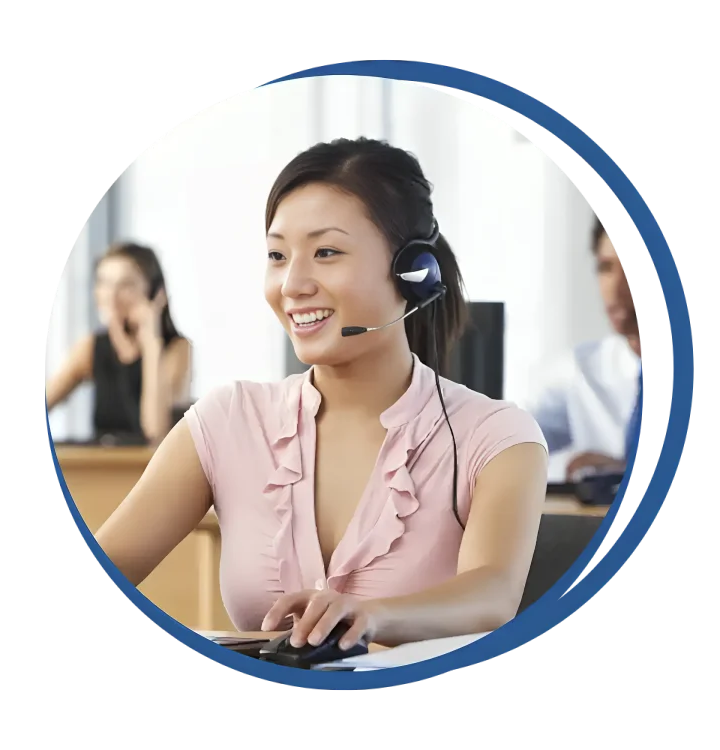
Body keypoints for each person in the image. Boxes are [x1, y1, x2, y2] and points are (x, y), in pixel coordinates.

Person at [95, 138, 549, 652]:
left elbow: (494, 594)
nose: (292, 284)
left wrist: (369, 617)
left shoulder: (498, 437)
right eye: (277, 255)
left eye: (326, 252)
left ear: (413, 272)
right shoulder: (228, 420)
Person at [525, 220, 642, 483]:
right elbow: (506, 452)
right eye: (605, 268)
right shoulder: (581, 370)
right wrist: (572, 468)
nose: (615, 288)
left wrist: (624, 473)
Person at [46, 242, 192, 445]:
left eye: (126, 285)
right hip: (106, 469)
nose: (111, 295)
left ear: (154, 292)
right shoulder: (92, 346)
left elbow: (156, 431)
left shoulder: (177, 349)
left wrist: (151, 345)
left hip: (149, 471)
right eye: (104, 282)